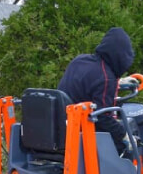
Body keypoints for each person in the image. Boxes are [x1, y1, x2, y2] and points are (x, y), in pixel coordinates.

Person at [57, 27, 135, 155]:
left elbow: (84, 84)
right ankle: (132, 173)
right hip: (80, 133)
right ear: (121, 57)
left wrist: (117, 83)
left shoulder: (81, 60)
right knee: (126, 146)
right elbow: (103, 117)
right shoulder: (106, 78)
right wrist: (124, 135)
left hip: (61, 124)